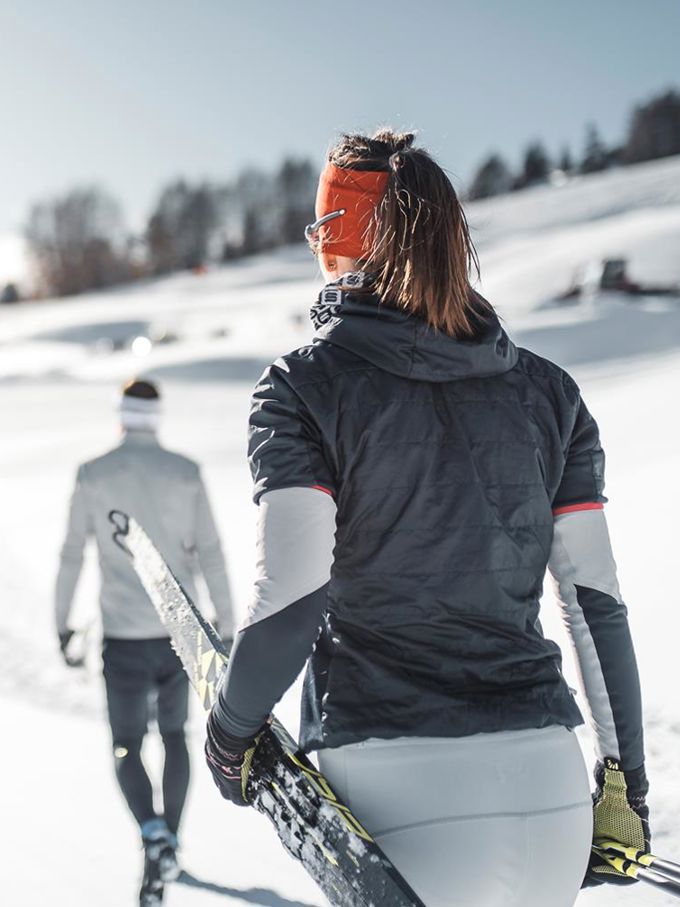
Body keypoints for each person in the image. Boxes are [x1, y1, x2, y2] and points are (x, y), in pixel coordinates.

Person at [201, 130, 648, 907]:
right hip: (549, 798)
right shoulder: (550, 393)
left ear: (338, 239)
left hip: (398, 803)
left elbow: (295, 595)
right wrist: (626, 787)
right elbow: (594, 603)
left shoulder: (303, 387)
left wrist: (229, 733)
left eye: (318, 229)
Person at [56, 378, 236, 888]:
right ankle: (170, 843)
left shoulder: (93, 474)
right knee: (176, 736)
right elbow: (212, 553)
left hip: (123, 635)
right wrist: (226, 623)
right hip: (181, 634)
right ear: (156, 417)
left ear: (121, 414)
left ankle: (153, 834)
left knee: (127, 744)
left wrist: (62, 624)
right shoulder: (186, 472)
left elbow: (72, 555)